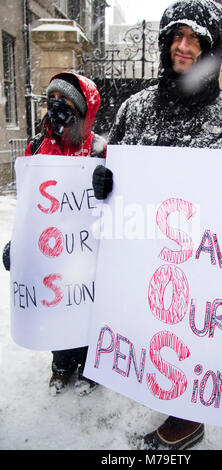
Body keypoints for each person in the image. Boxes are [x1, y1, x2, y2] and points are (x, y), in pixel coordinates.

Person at [92, 0, 222, 450]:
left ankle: (189, 414)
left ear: (213, 48)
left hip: (204, 262)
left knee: (190, 330)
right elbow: (114, 169)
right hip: (148, 250)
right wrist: (103, 180)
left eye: (197, 39)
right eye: (176, 36)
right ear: (165, 42)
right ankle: (149, 379)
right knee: (151, 320)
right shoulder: (136, 109)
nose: (184, 47)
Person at [4, 71, 108, 396]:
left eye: (65, 102)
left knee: (88, 309)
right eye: (52, 100)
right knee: (57, 306)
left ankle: (92, 366)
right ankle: (61, 366)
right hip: (52, 251)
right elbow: (29, 209)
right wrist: (18, 245)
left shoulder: (101, 151)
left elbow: (119, 202)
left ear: (82, 109)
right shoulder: (37, 148)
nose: (56, 106)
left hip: (89, 252)